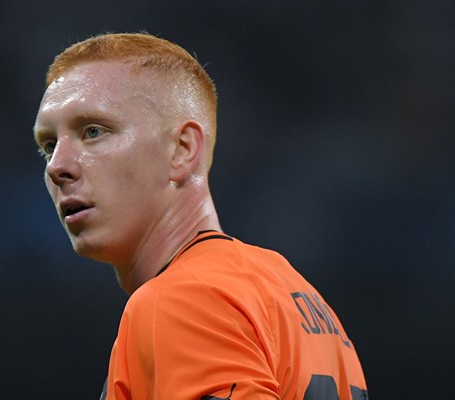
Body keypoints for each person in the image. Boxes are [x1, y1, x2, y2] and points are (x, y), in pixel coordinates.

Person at [32, 32, 368, 400]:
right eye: (49, 145)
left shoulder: (183, 298)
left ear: (182, 149)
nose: (57, 166)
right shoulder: (296, 296)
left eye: (93, 131)